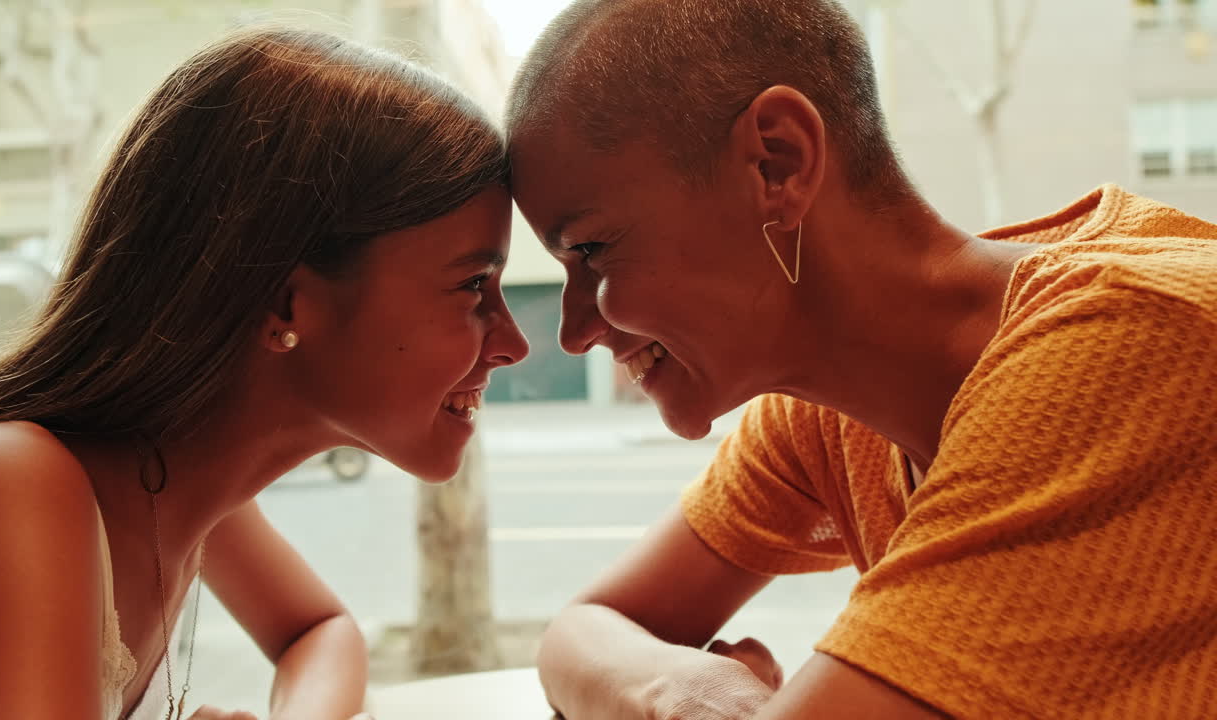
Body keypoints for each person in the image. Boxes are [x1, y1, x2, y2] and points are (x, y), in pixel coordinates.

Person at [505, 1, 1217, 718]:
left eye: (591, 250)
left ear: (777, 163)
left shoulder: (1121, 350)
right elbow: (580, 631)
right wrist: (683, 693)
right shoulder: (825, 411)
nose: (571, 331)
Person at [0, 26, 527, 720]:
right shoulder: (5, 489)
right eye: (473, 285)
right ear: (284, 301)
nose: (514, 342)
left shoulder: (180, 487)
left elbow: (319, 631)